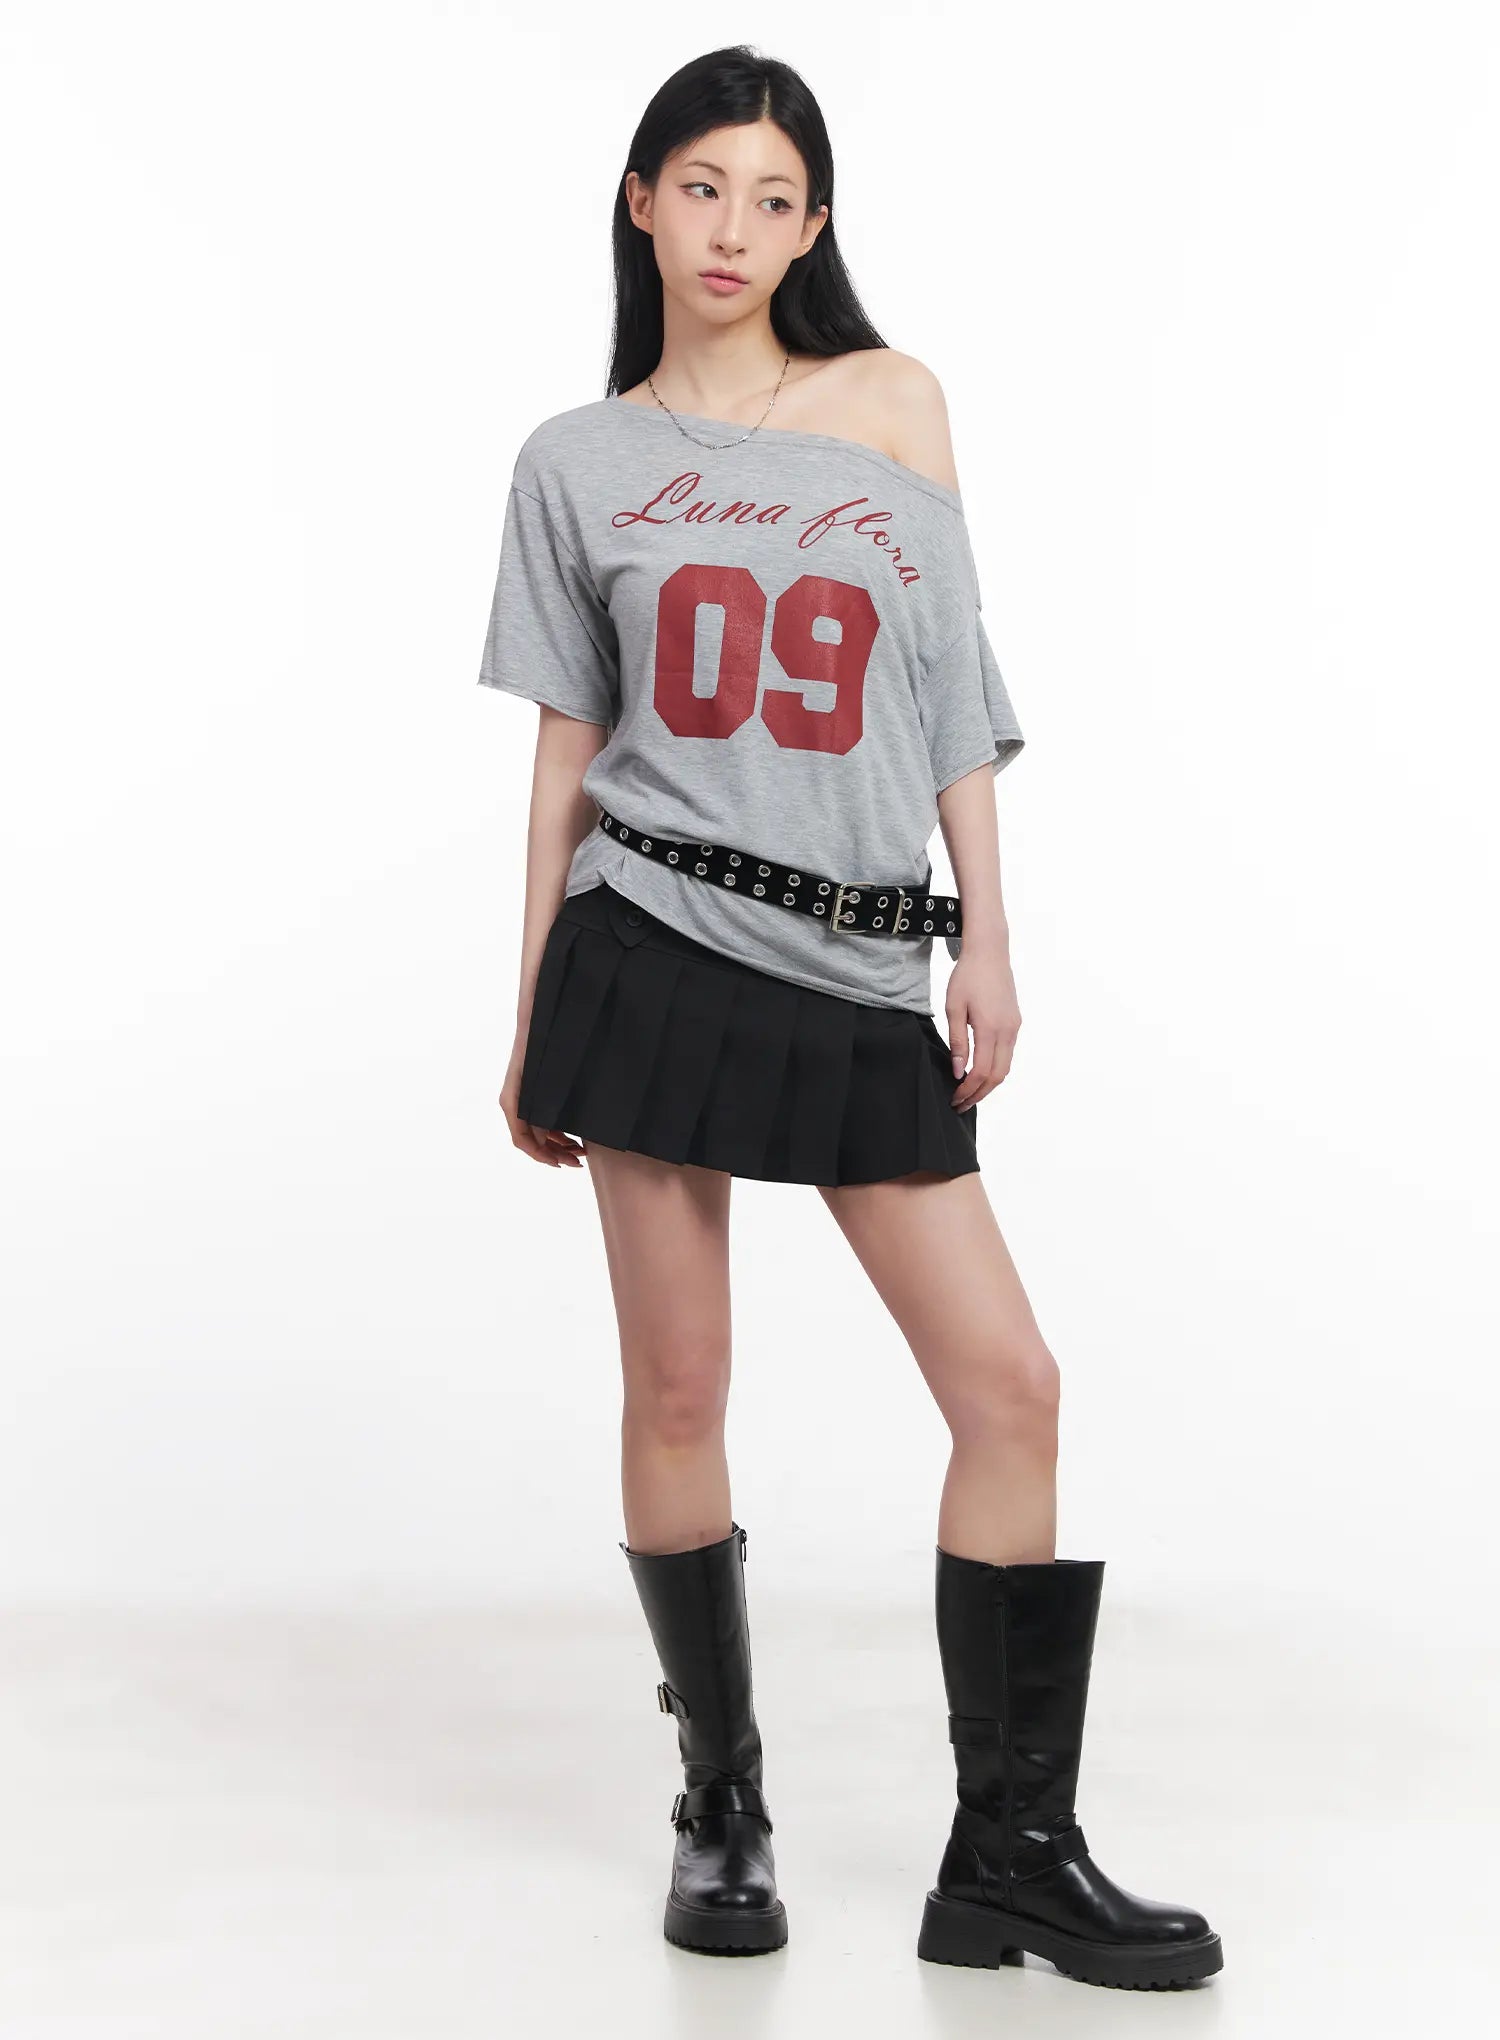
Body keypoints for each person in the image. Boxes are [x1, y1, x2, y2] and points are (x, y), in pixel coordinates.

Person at [476, 43, 1223, 1991]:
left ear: (816, 227)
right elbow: (564, 755)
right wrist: (531, 1000)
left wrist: (988, 936)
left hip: (860, 960)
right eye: (702, 186)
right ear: (641, 201)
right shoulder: (577, 459)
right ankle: (720, 1802)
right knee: (679, 1388)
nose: (734, 229)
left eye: (775, 198)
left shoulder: (894, 404)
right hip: (649, 947)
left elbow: (952, 684)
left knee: (1009, 1385)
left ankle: (1011, 1857)